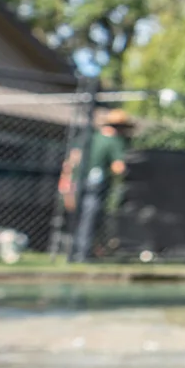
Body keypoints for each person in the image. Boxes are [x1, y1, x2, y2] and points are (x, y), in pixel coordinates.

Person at [60, 109, 133, 260]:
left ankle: (72, 252)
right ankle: (83, 254)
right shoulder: (115, 141)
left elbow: (71, 160)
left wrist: (66, 180)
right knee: (90, 219)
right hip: (96, 186)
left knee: (76, 218)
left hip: (77, 183)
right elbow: (118, 167)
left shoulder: (89, 138)